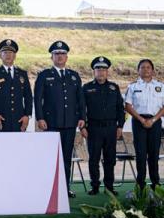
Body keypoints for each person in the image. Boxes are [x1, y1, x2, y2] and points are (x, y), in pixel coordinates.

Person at [34, 41, 85, 198]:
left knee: (66, 157)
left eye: (62, 54)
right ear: (52, 57)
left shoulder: (74, 76)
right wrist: (40, 118)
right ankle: (49, 188)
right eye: (56, 54)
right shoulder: (44, 76)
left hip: (69, 123)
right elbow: (38, 98)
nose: (60, 56)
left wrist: (82, 117)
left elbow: (80, 100)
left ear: (67, 57)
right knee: (51, 157)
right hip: (51, 123)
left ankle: (65, 188)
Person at [81, 57, 125, 195]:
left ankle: (109, 186)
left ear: (107, 72)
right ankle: (94, 186)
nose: (101, 71)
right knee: (93, 159)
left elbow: (120, 108)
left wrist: (120, 126)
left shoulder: (114, 87)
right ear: (94, 71)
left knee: (110, 159)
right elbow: (81, 109)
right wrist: (82, 127)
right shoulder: (87, 88)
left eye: (104, 69)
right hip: (93, 128)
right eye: (98, 69)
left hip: (111, 128)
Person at [124, 59, 164, 190]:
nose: (145, 70)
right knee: (140, 154)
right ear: (138, 70)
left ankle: (155, 183)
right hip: (138, 121)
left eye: (148, 67)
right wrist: (141, 120)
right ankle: (140, 183)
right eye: (142, 67)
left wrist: (153, 120)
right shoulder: (133, 86)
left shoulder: (161, 86)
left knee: (154, 154)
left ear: (152, 70)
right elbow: (128, 106)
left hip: (155, 121)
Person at [0, 39, 33, 132]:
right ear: (0, 55)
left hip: (19, 120)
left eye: (11, 52)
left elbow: (28, 96)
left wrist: (27, 115)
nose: (8, 55)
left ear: (15, 56)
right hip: (0, 120)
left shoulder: (22, 74)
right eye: (5, 52)